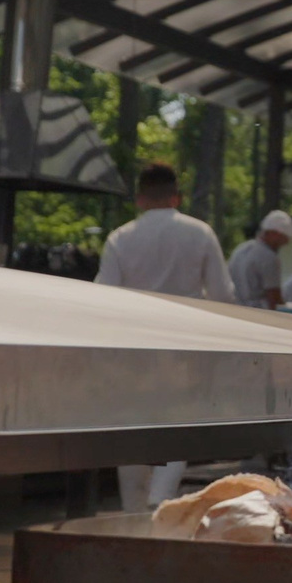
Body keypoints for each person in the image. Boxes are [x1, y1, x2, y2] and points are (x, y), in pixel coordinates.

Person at [96, 162, 234, 509]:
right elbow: (222, 295)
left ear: (140, 199)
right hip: (184, 345)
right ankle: (162, 497)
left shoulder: (120, 238)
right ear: (177, 197)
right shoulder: (200, 233)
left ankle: (132, 509)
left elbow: (102, 296)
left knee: (132, 425)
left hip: (133, 348)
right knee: (178, 423)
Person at [225, 210, 292, 310]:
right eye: (284, 238)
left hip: (235, 310)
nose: (285, 243)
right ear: (274, 233)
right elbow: (274, 298)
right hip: (259, 314)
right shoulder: (269, 257)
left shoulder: (241, 249)